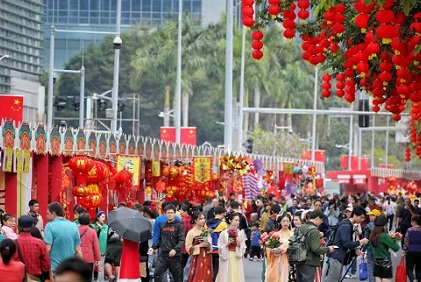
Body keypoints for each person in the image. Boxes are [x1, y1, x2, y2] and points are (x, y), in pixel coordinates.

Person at [322, 205, 368, 282]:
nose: (362, 220)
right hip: (335, 258)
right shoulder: (346, 226)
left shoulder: (347, 224)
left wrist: (354, 252)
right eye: (361, 217)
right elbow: (346, 244)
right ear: (355, 215)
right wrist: (360, 242)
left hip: (337, 257)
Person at [295, 210, 335, 282]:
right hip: (309, 261)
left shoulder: (299, 227)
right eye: (321, 220)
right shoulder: (314, 230)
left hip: (298, 259)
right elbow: (316, 249)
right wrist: (328, 249)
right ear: (317, 218)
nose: (321, 222)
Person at [148, 204, 185, 282]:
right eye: (168, 213)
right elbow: (160, 239)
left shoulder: (179, 226)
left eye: (171, 212)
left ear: (175, 213)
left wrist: (175, 250)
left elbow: (182, 240)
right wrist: (153, 247)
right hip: (163, 255)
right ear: (165, 214)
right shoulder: (163, 225)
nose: (170, 214)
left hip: (175, 256)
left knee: (177, 278)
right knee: (157, 274)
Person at [44, 202, 82, 276]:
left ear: (54, 214)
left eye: (48, 213)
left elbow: (48, 248)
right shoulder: (74, 226)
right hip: (70, 268)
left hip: (55, 268)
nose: (46, 216)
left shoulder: (49, 226)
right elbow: (78, 250)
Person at [15, 215, 51, 281]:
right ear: (32, 228)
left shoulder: (13, 243)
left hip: (17, 278)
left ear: (18, 227)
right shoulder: (39, 243)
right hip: (35, 278)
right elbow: (46, 266)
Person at [215, 212, 247, 282]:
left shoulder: (240, 233)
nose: (237, 222)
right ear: (230, 220)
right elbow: (220, 247)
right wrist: (227, 244)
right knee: (227, 274)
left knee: (236, 274)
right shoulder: (223, 233)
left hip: (236, 256)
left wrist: (238, 244)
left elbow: (243, 247)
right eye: (235, 220)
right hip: (227, 255)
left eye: (238, 220)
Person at [370, 215, 400, 282]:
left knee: (378, 279)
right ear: (383, 225)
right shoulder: (384, 236)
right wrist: (394, 238)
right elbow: (396, 248)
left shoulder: (372, 235)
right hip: (385, 262)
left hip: (376, 261)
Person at [185, 210, 213, 282]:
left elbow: (210, 248)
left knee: (206, 275)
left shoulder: (206, 231)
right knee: (197, 275)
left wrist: (208, 245)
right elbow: (188, 248)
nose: (203, 220)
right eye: (200, 219)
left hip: (206, 257)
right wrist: (200, 245)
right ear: (195, 220)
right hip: (196, 258)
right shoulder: (191, 232)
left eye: (204, 218)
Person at [265, 213, 293, 282]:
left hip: (289, 260)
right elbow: (269, 248)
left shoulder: (293, 234)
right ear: (280, 222)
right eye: (283, 221)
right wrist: (275, 251)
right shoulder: (276, 234)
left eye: (287, 221)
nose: (285, 223)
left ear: (290, 222)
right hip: (278, 260)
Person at [206, 206, 228, 282]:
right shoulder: (223, 224)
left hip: (209, 249)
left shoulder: (207, 224)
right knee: (217, 269)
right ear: (223, 214)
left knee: (209, 268)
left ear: (214, 213)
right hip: (219, 249)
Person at [78, 213, 101, 279]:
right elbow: (96, 246)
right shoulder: (92, 231)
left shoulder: (76, 230)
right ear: (88, 221)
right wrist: (98, 258)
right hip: (89, 257)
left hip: (78, 256)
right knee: (88, 277)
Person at [364, 209, 382, 282]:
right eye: (369, 215)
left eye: (372, 215)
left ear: (376, 217)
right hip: (381, 251)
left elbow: (366, 239)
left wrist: (363, 250)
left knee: (371, 269)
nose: (369, 216)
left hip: (371, 250)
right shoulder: (383, 226)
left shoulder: (368, 226)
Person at [91, 211, 108, 282]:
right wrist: (99, 229)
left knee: (101, 268)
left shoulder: (106, 227)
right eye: (102, 217)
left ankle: (100, 280)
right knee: (92, 267)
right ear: (98, 218)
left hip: (102, 249)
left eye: (104, 217)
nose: (103, 219)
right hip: (93, 250)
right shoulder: (93, 227)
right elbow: (94, 237)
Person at [403, 214, 421, 282]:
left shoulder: (410, 230)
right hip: (420, 252)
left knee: (409, 269)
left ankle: (413, 280)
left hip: (411, 251)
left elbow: (406, 241)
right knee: (419, 270)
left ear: (414, 221)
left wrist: (404, 251)